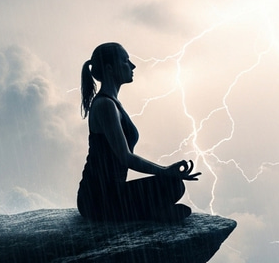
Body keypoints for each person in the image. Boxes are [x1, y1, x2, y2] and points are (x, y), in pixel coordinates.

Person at [77, 42, 200, 223]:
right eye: (126, 61)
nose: (132, 66)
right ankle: (151, 215)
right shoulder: (105, 105)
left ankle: (151, 213)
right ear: (110, 68)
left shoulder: (112, 103)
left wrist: (166, 172)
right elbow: (125, 157)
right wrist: (165, 171)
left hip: (111, 193)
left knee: (175, 185)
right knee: (172, 185)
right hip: (97, 199)